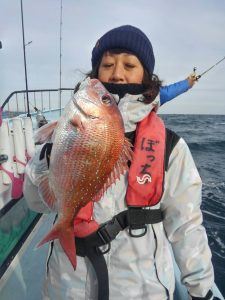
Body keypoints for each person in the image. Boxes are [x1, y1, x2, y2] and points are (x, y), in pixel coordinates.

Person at [23, 25, 223, 300]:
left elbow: (186, 224)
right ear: (96, 73)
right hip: (67, 287)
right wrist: (49, 158)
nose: (117, 72)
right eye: (107, 64)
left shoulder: (170, 147)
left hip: (142, 290)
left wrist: (201, 290)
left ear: (146, 76)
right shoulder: (64, 133)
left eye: (129, 64)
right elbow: (34, 203)